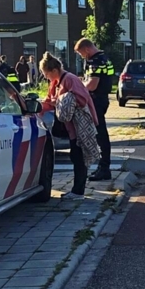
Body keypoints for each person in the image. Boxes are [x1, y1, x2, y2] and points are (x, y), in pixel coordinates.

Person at [40, 52, 98, 198]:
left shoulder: (70, 80)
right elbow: (49, 101)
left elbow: (82, 99)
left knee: (79, 157)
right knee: (75, 156)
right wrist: (36, 109)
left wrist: (61, 101)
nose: (46, 77)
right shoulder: (55, 82)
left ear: (54, 70)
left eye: (46, 74)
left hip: (79, 127)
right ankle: (77, 189)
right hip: (71, 127)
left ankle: (78, 191)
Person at [74, 37, 115, 181]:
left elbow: (92, 85)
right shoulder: (104, 58)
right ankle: (103, 166)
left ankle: (104, 168)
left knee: (100, 134)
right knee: (100, 133)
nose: (82, 57)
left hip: (96, 100)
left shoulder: (95, 61)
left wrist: (79, 86)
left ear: (86, 49)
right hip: (103, 98)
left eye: (81, 54)